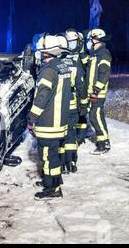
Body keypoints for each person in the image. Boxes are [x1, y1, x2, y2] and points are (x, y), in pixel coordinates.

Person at [28, 35, 73, 199]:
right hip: (60, 121)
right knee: (54, 154)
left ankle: (52, 188)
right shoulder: (62, 66)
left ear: (47, 52)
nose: (38, 54)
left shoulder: (48, 70)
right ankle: (52, 180)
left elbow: (41, 97)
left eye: (40, 52)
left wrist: (32, 116)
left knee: (47, 156)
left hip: (48, 122)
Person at [61, 30, 89, 173]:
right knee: (71, 133)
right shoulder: (74, 64)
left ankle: (61, 163)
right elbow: (81, 86)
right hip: (72, 104)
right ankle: (71, 161)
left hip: (58, 106)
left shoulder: (56, 62)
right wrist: (84, 102)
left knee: (60, 134)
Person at [85, 29, 112, 155]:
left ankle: (104, 143)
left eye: (91, 39)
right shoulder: (94, 54)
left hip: (98, 93)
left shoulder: (104, 54)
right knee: (94, 115)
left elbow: (104, 74)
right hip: (93, 92)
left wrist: (96, 90)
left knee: (95, 115)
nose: (89, 42)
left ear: (96, 39)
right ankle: (102, 142)